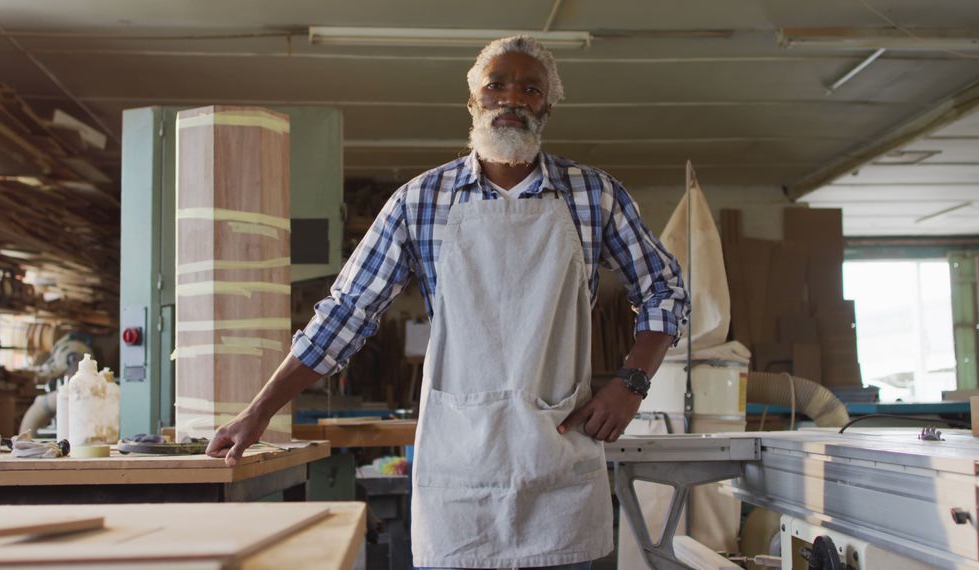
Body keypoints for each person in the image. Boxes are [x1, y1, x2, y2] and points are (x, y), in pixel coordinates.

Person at [207, 35, 688, 570]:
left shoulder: (593, 196)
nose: (511, 98)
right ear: (473, 102)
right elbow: (345, 314)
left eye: (530, 89)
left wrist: (632, 384)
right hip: (461, 471)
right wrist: (259, 411)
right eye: (496, 85)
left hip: (560, 464)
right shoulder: (420, 201)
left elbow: (665, 287)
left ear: (546, 108)